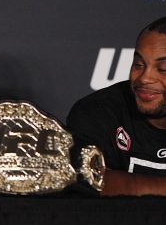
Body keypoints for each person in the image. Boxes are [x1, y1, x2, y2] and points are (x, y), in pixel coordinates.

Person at [67, 17, 166, 196]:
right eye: (138, 64)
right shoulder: (97, 111)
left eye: (163, 68)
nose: (144, 78)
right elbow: (91, 180)